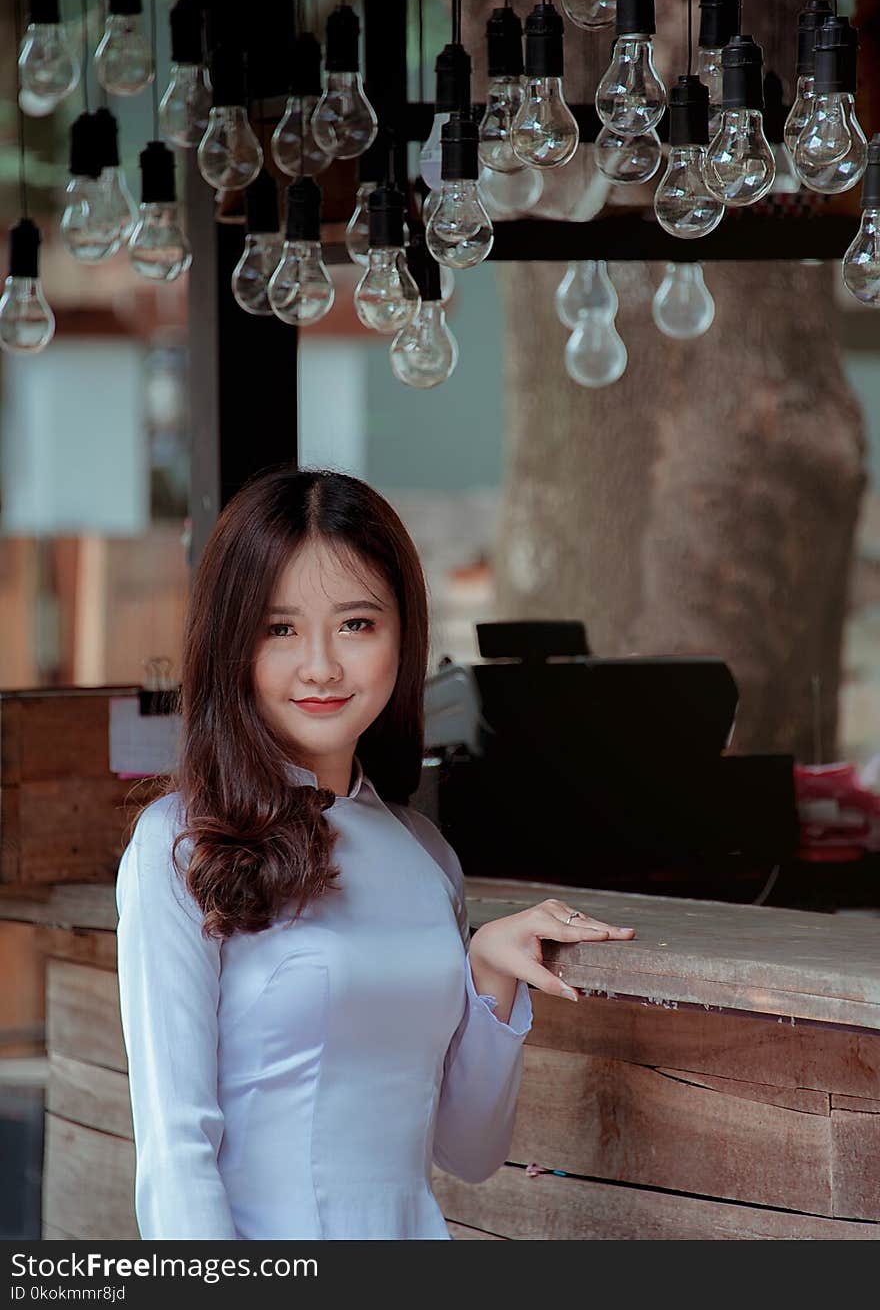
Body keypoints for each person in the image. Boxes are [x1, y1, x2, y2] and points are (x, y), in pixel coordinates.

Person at [115, 465, 636, 1240]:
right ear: (231, 642)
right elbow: (175, 1151)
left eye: (356, 624)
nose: (321, 665)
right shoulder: (180, 843)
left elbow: (470, 1150)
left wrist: (489, 972)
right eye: (279, 627)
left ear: (404, 636)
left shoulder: (425, 855)